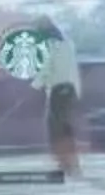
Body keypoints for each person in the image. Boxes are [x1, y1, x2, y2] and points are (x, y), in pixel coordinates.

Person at [33, 16, 82, 179]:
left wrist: (34, 85)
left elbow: (46, 68)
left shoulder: (49, 44)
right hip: (70, 89)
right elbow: (72, 68)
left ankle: (64, 164)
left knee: (55, 129)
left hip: (57, 90)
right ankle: (73, 164)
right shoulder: (67, 43)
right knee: (67, 128)